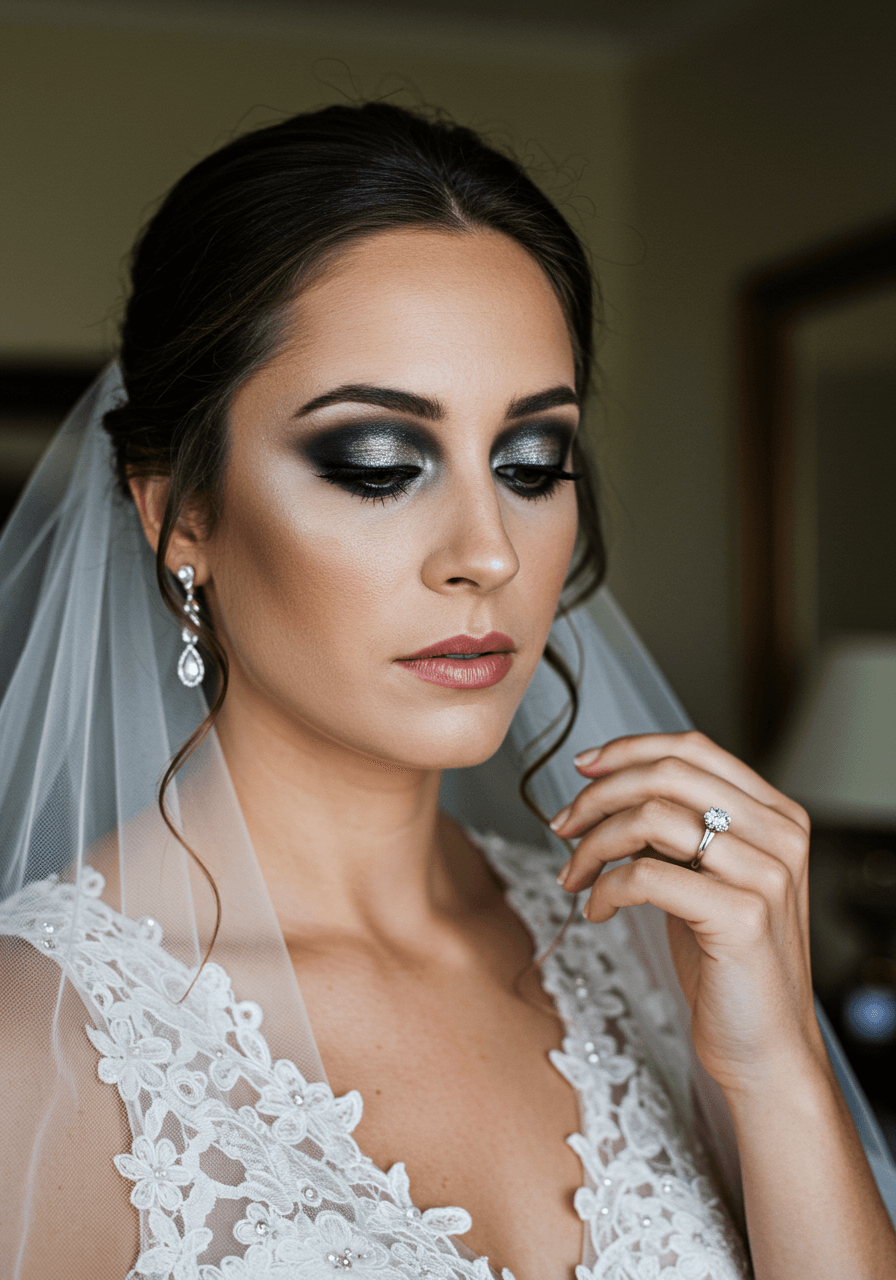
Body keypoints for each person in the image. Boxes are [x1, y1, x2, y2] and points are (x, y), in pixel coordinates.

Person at [0, 101, 893, 1280]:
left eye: (530, 462)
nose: (488, 552)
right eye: (376, 464)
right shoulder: (40, 1044)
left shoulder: (647, 946)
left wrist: (774, 1061)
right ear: (182, 513)